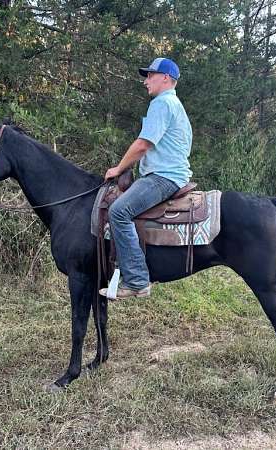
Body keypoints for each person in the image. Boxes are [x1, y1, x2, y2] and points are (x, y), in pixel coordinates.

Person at [99, 57, 193, 299]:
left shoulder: (162, 104)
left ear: (165, 78)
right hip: (170, 174)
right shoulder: (175, 105)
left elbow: (142, 145)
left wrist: (118, 168)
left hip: (163, 177)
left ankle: (137, 280)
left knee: (118, 212)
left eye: (150, 75)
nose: (145, 81)